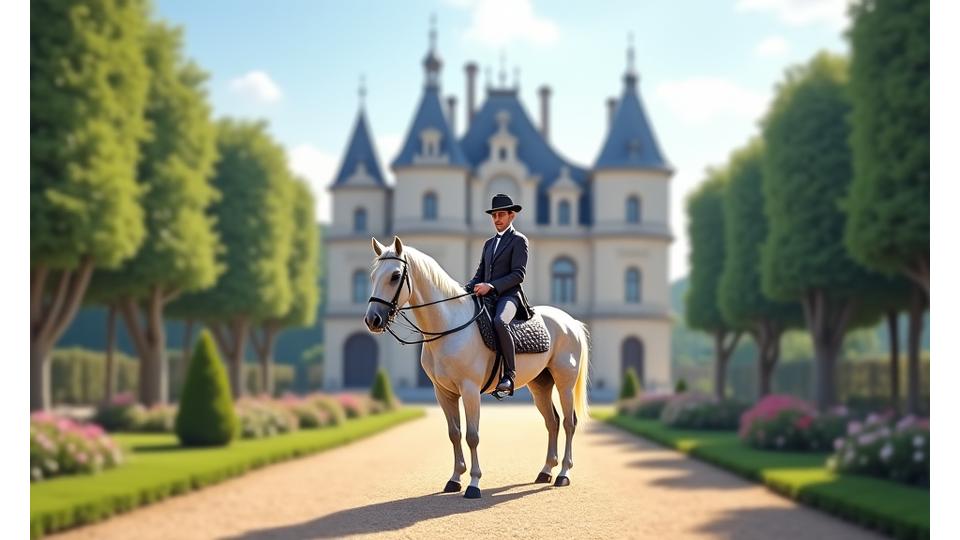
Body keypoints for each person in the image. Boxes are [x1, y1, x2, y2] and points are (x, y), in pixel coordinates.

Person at [464, 193, 535, 397]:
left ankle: (509, 376)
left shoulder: (519, 241)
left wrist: (492, 287)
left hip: (509, 297)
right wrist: (464, 290)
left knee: (499, 322)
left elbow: (518, 275)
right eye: (494, 216)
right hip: (487, 296)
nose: (497, 219)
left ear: (511, 216)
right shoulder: (488, 244)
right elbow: (479, 274)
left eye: (501, 215)